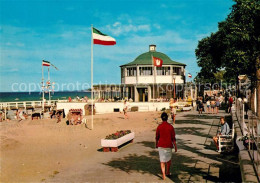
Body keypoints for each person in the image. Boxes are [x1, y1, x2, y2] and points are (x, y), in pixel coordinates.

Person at [156, 112, 177, 180]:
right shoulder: (170, 127)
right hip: (168, 145)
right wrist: (175, 146)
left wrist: (156, 144)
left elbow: (157, 137)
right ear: (167, 118)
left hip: (161, 145)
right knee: (168, 160)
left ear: (161, 118)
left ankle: (163, 174)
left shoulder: (159, 126)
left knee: (162, 160)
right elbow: (173, 138)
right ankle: (167, 171)